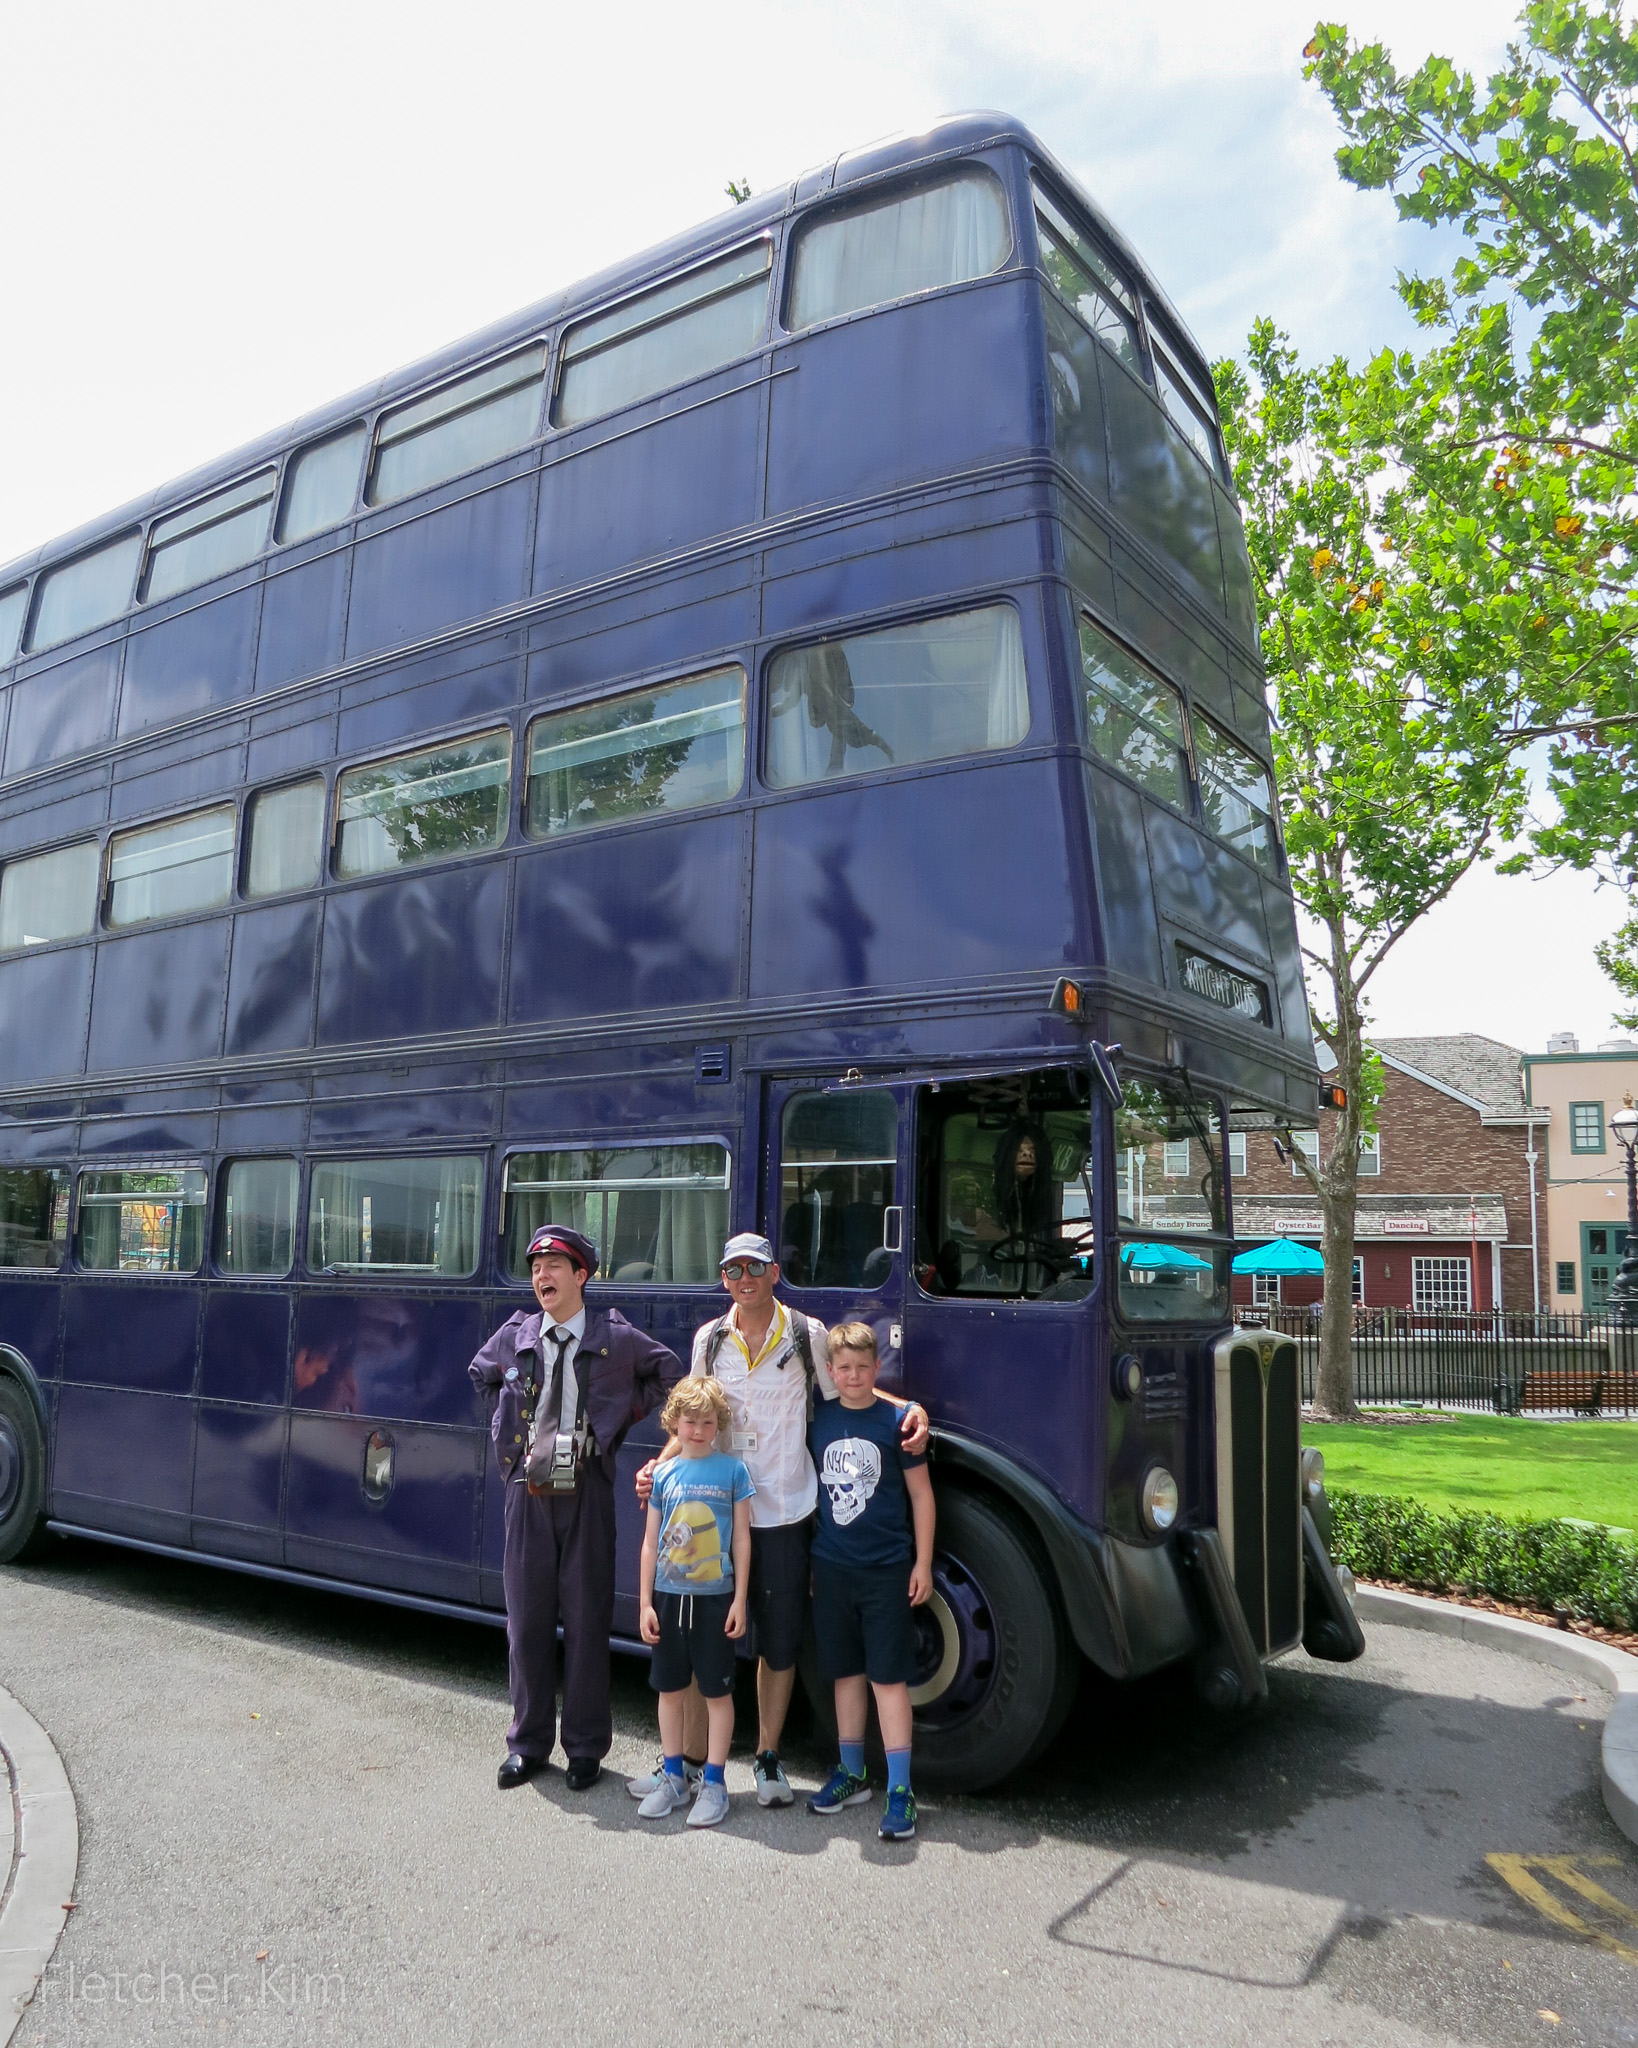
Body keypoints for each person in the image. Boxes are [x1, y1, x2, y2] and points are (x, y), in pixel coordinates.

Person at [629, 1232, 929, 1809]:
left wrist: (910, 1408)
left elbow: (850, 1390)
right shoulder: (710, 1338)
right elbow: (693, 1417)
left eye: (755, 1267)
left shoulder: (805, 1333)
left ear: (774, 1273)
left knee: (780, 1642)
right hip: (716, 1512)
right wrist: (658, 1466)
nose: (744, 1278)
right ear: (724, 1279)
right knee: (697, 1637)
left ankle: (768, 1756)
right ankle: (686, 1765)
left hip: (787, 1511)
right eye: (733, 1270)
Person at [469, 1223, 682, 1792]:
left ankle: (585, 1747)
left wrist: (618, 1418)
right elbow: (481, 1376)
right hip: (527, 1490)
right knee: (526, 1621)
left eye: (554, 1267)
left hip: (586, 1487)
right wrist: (511, 1435)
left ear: (581, 1275)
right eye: (536, 1268)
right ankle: (527, 1744)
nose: (542, 1276)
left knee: (587, 1620)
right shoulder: (517, 1336)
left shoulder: (616, 1337)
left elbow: (670, 1375)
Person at [806, 1320, 934, 1842]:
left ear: (878, 1367)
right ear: (830, 1371)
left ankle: (901, 1788)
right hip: (831, 1567)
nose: (854, 1376)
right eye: (844, 1368)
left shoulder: (898, 1423)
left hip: (886, 1569)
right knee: (845, 1674)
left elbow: (921, 1495)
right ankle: (852, 1771)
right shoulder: (818, 1419)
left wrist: (922, 1564)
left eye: (863, 1367)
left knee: (888, 1679)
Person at [636, 1376, 754, 1828]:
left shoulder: (733, 1472)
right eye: (690, 1422)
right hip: (668, 1599)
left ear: (718, 1425)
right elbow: (651, 1544)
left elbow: (741, 1540)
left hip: (715, 1601)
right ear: (675, 1424)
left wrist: (739, 1599)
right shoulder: (663, 1475)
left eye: (708, 1422)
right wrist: (645, 1603)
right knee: (669, 1691)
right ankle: (673, 1777)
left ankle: (715, 1783)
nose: (699, 1431)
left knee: (717, 1694)